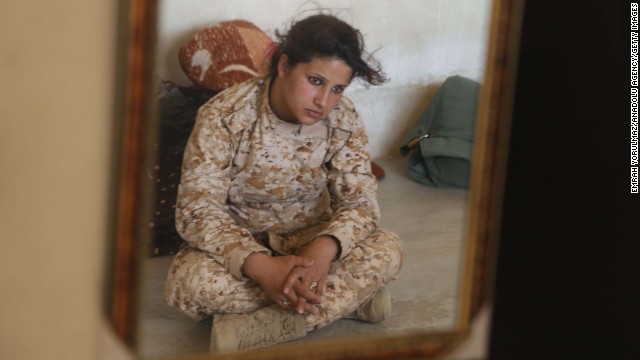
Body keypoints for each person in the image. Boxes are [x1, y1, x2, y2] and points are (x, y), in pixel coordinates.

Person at [164, 12, 404, 352]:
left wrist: (324, 250)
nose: (324, 101)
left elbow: (361, 201)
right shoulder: (224, 116)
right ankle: (351, 301)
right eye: (316, 81)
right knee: (192, 283)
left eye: (338, 88)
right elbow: (196, 210)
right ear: (285, 65)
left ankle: (272, 324)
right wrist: (260, 266)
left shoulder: (343, 117)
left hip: (311, 240)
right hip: (244, 246)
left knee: (388, 249)